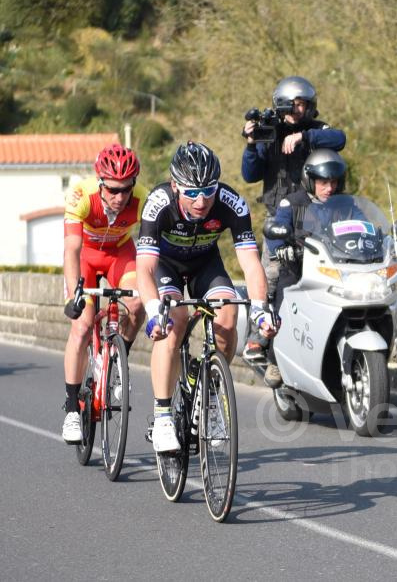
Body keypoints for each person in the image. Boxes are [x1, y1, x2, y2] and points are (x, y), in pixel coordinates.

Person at [137, 141, 277, 453]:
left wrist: (261, 309)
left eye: (208, 190)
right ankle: (162, 417)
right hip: (165, 266)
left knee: (229, 315)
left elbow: (251, 263)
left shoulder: (232, 203)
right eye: (191, 192)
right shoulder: (158, 203)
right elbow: (144, 268)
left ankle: (211, 395)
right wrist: (151, 310)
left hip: (205, 264)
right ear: (175, 186)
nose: (201, 200)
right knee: (174, 320)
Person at [240, 76, 346, 363]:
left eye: (304, 104)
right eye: (294, 104)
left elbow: (340, 138)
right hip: (281, 217)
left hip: (319, 215)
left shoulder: (315, 130)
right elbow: (250, 174)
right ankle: (258, 340)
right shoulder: (269, 130)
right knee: (270, 277)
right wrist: (252, 144)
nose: (299, 110)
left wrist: (304, 137)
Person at [60, 144, 146, 443]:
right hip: (86, 255)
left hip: (120, 253)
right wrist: (74, 294)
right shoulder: (81, 196)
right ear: (100, 183)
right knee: (82, 326)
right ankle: (72, 408)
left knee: (136, 303)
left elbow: (150, 249)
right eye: (112, 190)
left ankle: (117, 363)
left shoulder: (142, 199)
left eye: (126, 189)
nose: (120, 197)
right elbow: (71, 249)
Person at [260, 149, 349, 388]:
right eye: (323, 182)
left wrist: (378, 238)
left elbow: (363, 225)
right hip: (298, 269)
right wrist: (281, 247)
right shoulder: (293, 202)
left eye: (333, 182)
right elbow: (276, 228)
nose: (329, 187)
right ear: (311, 180)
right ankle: (274, 359)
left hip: (335, 271)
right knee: (284, 302)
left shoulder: (345, 205)